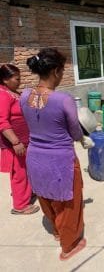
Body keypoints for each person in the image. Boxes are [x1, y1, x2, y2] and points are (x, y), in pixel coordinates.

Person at [20, 48, 88, 261]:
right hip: (60, 161)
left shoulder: (24, 95)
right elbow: (76, 133)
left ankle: (57, 232)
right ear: (57, 71)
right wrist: (82, 133)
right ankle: (69, 246)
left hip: (35, 158)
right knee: (68, 202)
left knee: (47, 197)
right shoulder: (63, 100)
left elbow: (37, 116)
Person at [0, 64, 40, 215]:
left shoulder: (11, 92)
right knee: (19, 173)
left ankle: (26, 193)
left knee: (26, 169)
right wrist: (15, 142)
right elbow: (2, 121)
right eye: (17, 78)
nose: (20, 81)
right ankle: (20, 205)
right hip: (14, 143)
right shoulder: (2, 95)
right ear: (5, 79)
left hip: (23, 140)